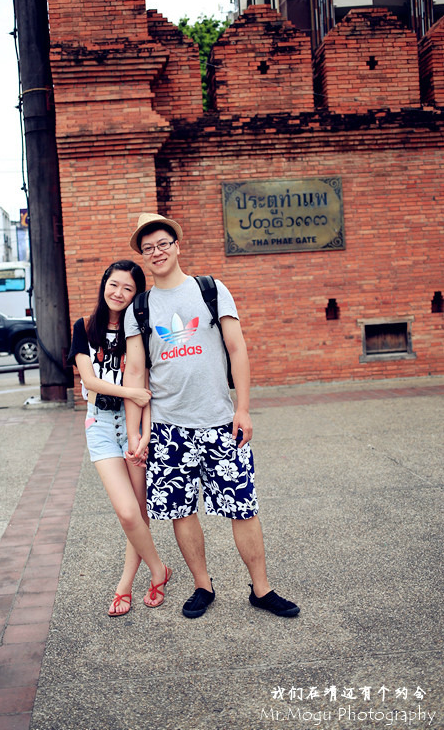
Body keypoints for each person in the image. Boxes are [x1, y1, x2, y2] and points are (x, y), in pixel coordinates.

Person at [123, 214, 299, 619]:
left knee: (243, 507)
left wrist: (243, 409)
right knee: (181, 511)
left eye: (163, 244)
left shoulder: (211, 290)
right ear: (143, 256)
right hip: (168, 428)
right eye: (148, 248)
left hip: (221, 422)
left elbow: (237, 349)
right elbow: (135, 373)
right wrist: (136, 432)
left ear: (177, 245)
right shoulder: (140, 308)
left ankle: (261, 589)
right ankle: (202, 585)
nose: (157, 252)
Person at [67, 259, 171, 616]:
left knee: (139, 512)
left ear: (136, 294)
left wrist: (145, 431)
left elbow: (147, 387)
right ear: (104, 284)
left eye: (128, 288)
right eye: (114, 284)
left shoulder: (139, 332)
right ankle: (158, 569)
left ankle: (125, 585)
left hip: (133, 425)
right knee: (127, 514)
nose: (119, 293)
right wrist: (131, 393)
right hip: (99, 426)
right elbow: (90, 382)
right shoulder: (84, 327)